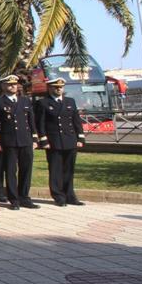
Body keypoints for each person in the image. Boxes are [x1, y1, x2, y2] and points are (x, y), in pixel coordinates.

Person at [35, 78, 87, 206]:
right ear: (50, 88)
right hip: (54, 141)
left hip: (70, 139)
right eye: (56, 87)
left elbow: (76, 121)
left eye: (61, 87)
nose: (59, 89)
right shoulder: (43, 103)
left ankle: (70, 195)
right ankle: (58, 196)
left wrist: (80, 138)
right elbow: (40, 123)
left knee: (69, 169)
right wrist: (43, 140)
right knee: (55, 170)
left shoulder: (70, 101)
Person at [0, 75, 39, 210]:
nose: (13, 86)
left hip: (25, 140)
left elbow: (31, 121)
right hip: (9, 141)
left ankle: (24, 197)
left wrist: (35, 138)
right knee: (11, 171)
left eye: (15, 84)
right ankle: (14, 199)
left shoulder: (25, 101)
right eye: (9, 84)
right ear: (3, 86)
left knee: (26, 169)